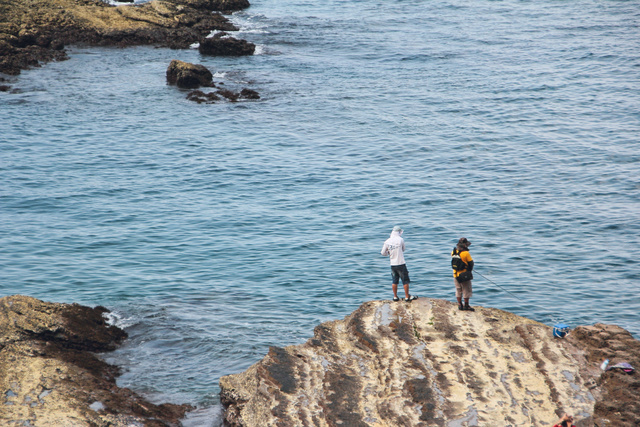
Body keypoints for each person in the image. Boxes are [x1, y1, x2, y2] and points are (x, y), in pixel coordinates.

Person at [381, 226, 417, 302]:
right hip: (401, 263)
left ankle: (395, 297)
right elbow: (403, 249)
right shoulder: (400, 240)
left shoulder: (387, 241)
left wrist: (388, 252)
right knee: (405, 280)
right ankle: (407, 297)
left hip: (393, 264)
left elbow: (383, 253)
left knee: (394, 280)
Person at [452, 237, 474, 311]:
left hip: (455, 274)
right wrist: (469, 270)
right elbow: (471, 263)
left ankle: (460, 304)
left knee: (458, 289)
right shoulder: (466, 253)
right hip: (464, 275)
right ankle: (466, 305)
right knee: (466, 290)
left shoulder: (454, 252)